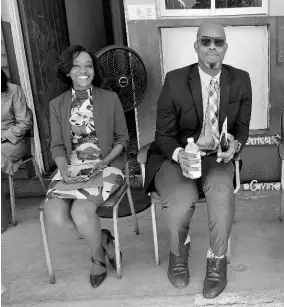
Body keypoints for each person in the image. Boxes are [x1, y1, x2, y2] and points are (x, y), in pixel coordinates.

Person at [144, 22, 252, 299]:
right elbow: (163, 134)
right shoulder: (176, 80)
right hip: (178, 156)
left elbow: (241, 129)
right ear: (196, 46)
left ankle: (217, 259)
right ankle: (179, 251)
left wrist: (235, 145)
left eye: (218, 42)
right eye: (206, 41)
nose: (212, 47)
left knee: (220, 194)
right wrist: (181, 155)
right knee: (180, 201)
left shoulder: (240, 80)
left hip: (217, 158)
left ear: (226, 48)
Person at [43, 45, 129, 288]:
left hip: (106, 164)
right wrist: (65, 170)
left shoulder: (109, 98)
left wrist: (103, 162)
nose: (83, 71)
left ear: (94, 70)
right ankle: (103, 240)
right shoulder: (57, 105)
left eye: (88, 65)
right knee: (55, 215)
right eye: (76, 66)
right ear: (67, 71)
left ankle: (98, 258)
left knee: (81, 212)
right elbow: (57, 145)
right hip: (71, 166)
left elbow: (123, 139)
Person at [1, 69, 33, 233]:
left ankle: (1, 218)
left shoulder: (13, 90)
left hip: (13, 141)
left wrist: (3, 137)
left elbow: (25, 123)